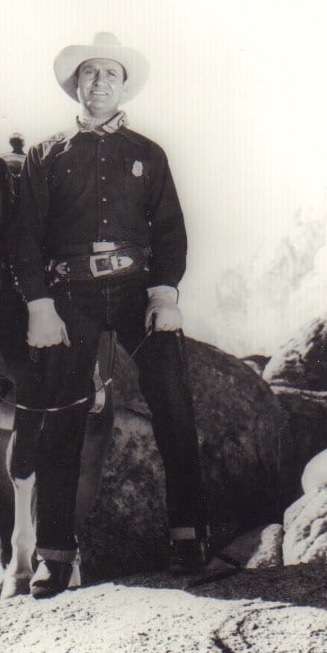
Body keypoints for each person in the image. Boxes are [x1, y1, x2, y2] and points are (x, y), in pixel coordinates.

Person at [11, 33, 211, 599]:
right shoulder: (45, 156)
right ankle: (53, 555)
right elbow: (24, 238)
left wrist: (163, 297)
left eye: (110, 75)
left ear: (124, 87)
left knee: (173, 399)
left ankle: (188, 535)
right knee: (61, 417)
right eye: (90, 74)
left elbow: (171, 233)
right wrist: (39, 306)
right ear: (76, 84)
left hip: (134, 293)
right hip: (68, 297)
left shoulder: (149, 154)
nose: (99, 83)